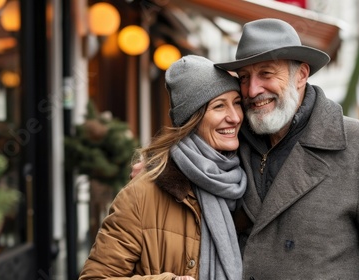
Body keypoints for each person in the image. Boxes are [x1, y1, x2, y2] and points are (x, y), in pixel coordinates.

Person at [211, 18, 359, 278]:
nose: (252, 90)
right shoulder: (230, 143)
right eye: (244, 78)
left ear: (301, 75)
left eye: (266, 73)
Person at [79, 55, 247, 280]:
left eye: (237, 102)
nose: (235, 117)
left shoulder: (247, 178)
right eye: (219, 106)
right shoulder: (142, 194)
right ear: (192, 119)